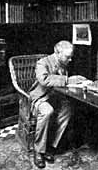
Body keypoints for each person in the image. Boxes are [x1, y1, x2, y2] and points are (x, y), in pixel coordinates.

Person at [29, 40, 74, 168]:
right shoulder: (42, 62)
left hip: (55, 96)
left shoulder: (63, 62)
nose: (70, 60)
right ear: (57, 53)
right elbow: (44, 80)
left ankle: (50, 146)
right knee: (47, 111)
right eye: (67, 57)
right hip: (40, 97)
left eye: (71, 56)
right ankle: (38, 151)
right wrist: (67, 80)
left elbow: (61, 84)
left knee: (67, 110)